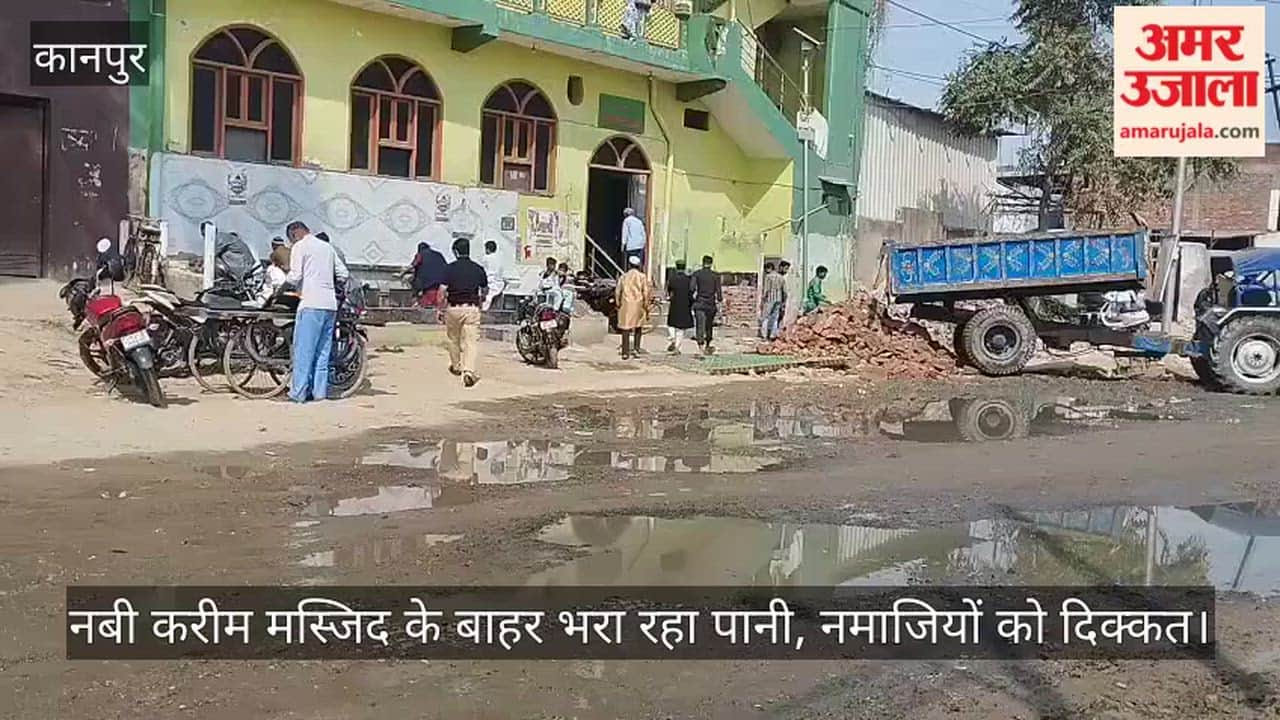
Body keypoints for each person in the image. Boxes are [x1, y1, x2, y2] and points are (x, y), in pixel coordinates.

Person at [284, 220, 348, 403]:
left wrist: (283, 284)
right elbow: (343, 274)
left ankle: (298, 394)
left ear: (294, 234)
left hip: (311, 304)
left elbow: (295, 276)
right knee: (322, 353)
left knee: (304, 352)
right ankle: (320, 394)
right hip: (330, 306)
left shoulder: (300, 247)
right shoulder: (327, 247)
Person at [437, 238, 488, 388]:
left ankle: (456, 366)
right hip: (471, 308)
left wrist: (440, 309)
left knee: (453, 339)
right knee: (470, 342)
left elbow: (441, 292)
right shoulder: (478, 268)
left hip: (453, 308)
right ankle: (468, 371)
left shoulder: (449, 268)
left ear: (455, 251)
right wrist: (481, 300)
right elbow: (484, 289)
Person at [615, 255, 652, 359]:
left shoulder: (623, 276)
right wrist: (646, 305)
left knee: (625, 328)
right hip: (638, 304)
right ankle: (636, 349)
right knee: (638, 327)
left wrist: (618, 303)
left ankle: (625, 352)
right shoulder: (642, 277)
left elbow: (618, 291)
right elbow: (646, 292)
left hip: (626, 304)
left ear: (629, 265)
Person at [690, 254, 722, 355]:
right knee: (709, 325)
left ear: (702, 262)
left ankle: (700, 347)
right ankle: (708, 344)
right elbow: (719, 292)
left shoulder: (697, 274)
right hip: (711, 304)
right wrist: (719, 301)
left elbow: (691, 288)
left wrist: (693, 299)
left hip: (700, 303)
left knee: (700, 325)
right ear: (711, 264)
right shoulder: (715, 275)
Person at [251, 237, 291, 308]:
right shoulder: (290, 251)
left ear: (273, 245)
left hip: (281, 280)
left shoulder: (274, 254)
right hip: (291, 278)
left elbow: (276, 265)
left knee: (270, 269)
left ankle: (263, 300)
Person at [665, 259, 694, 354]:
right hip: (685, 304)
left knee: (671, 324)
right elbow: (691, 291)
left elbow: (669, 291)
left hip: (675, 303)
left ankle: (673, 339)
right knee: (681, 328)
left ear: (676, 267)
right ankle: (677, 346)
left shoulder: (672, 279)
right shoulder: (688, 279)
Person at [408, 241, 447, 308]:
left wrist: (401, 273)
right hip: (441, 286)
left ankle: (416, 300)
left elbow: (412, 265)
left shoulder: (420, 254)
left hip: (428, 286)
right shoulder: (439, 255)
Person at [759, 261, 786, 341]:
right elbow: (785, 291)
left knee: (765, 317)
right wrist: (783, 301)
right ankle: (773, 335)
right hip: (778, 299)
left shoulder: (768, 277)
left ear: (769, 268)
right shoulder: (781, 277)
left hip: (769, 299)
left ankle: (764, 335)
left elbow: (766, 290)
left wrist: (763, 299)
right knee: (775, 318)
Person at [480, 240, 508, 311]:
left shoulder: (486, 258)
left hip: (490, 282)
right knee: (496, 302)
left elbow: (482, 270)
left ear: (487, 249)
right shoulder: (500, 258)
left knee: (486, 299)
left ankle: (484, 311)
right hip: (499, 283)